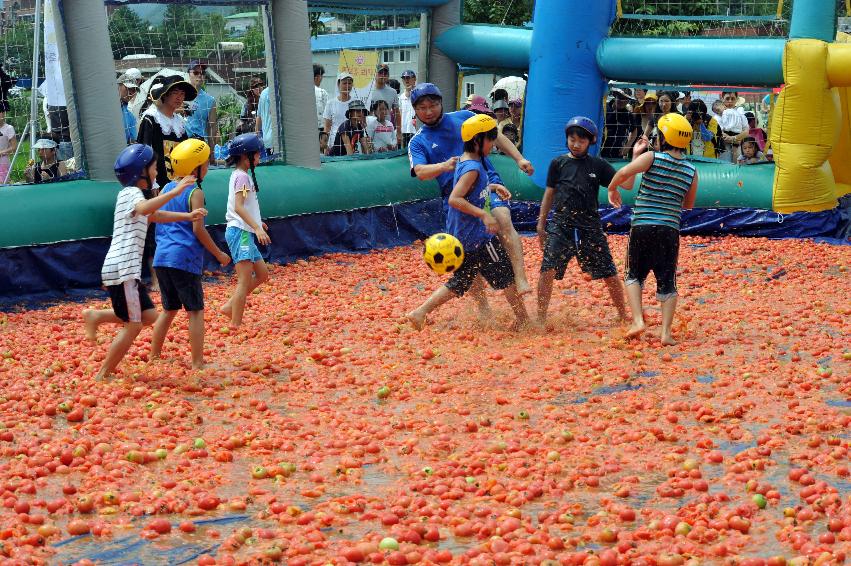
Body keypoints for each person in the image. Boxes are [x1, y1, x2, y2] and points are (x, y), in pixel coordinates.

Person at [82, 144, 207, 380]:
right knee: (134, 325)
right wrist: (175, 191)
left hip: (123, 268)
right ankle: (103, 373)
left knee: (149, 316)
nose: (155, 171)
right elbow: (145, 207)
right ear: (141, 172)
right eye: (152, 167)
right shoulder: (132, 194)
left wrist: (187, 216)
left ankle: (96, 316)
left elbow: (155, 215)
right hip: (123, 269)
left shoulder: (130, 196)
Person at [407, 82, 533, 301]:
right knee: (466, 253)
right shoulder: (418, 141)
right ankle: (482, 308)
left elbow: (496, 136)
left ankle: (520, 277)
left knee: (503, 218)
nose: (428, 112)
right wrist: (443, 166)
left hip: (486, 183)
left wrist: (519, 158)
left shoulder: (464, 117)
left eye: (432, 105)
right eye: (422, 108)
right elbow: (419, 171)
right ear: (415, 110)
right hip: (456, 197)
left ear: (441, 103)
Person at [607, 113, 698, 346]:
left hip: (643, 226)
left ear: (663, 138)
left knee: (633, 274)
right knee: (667, 281)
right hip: (669, 230)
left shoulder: (652, 158)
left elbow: (624, 174)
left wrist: (611, 188)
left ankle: (638, 320)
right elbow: (688, 205)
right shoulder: (691, 170)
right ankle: (666, 333)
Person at [536, 117, 629, 326]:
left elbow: (623, 182)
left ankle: (623, 315)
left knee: (609, 271)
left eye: (581, 141)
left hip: (590, 224)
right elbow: (549, 194)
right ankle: (540, 317)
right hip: (560, 223)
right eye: (572, 139)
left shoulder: (598, 165)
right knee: (547, 269)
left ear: (591, 142)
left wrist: (636, 160)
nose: (576, 144)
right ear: (567, 139)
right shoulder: (558, 163)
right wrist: (541, 225)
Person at [150, 139, 231, 370]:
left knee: (168, 309)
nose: (207, 166)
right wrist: (219, 254)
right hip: (184, 259)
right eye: (205, 163)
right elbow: (198, 229)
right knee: (195, 311)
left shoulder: (167, 188)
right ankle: (197, 363)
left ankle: (154, 355)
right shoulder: (195, 192)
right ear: (196, 166)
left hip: (162, 259)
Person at [137, 74, 196, 292]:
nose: (179, 97)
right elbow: (145, 154)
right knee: (155, 231)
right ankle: (155, 278)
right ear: (164, 95)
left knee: (178, 226)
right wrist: (152, 186)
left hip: (176, 185)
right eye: (175, 92)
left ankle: (178, 271)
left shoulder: (180, 123)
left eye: (182, 93)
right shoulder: (150, 119)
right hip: (156, 185)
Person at [221, 133, 270, 328]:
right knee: (244, 279)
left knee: (262, 274)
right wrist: (256, 227)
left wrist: (258, 222)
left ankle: (229, 307)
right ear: (245, 156)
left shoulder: (241, 176)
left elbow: (244, 206)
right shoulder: (242, 177)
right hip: (240, 233)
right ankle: (235, 323)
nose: (259, 159)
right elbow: (239, 207)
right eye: (257, 155)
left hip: (244, 231)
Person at [184, 60, 219, 151]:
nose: (199, 75)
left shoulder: (210, 100)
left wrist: (211, 152)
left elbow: (212, 127)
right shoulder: (179, 95)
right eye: (196, 72)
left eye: (202, 73)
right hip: (181, 143)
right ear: (189, 74)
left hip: (199, 144)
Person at [367, 64, 402, 149]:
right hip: (371, 131)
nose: (383, 75)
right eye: (380, 73)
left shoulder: (393, 92)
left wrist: (399, 132)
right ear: (375, 74)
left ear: (388, 76)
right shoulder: (368, 90)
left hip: (387, 131)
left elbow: (397, 113)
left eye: (385, 73)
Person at [602, 88, 638, 159]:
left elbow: (634, 131)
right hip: (600, 152)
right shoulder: (603, 108)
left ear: (628, 100)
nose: (622, 101)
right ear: (615, 96)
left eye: (625, 99)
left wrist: (627, 147)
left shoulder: (628, 114)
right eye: (620, 97)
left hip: (616, 154)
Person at [718, 91, 748, 162]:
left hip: (738, 146)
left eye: (732, 99)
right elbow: (718, 130)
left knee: (737, 167)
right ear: (722, 99)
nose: (730, 101)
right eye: (727, 98)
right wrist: (727, 137)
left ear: (736, 99)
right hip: (724, 148)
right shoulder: (719, 113)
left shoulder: (740, 112)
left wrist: (733, 138)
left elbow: (746, 131)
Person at [323, 72, 354, 141]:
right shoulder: (330, 103)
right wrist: (325, 145)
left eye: (349, 83)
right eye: (344, 83)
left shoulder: (356, 103)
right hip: (334, 143)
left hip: (352, 142)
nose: (347, 86)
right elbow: (327, 127)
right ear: (338, 84)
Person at [118, 73, 138, 144]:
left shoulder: (130, 115)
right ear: (118, 85)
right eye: (129, 88)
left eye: (134, 90)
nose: (131, 93)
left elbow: (133, 139)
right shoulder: (106, 107)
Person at [399, 69, 417, 146]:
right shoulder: (401, 97)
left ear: (414, 79)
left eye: (408, 78)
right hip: (404, 130)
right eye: (404, 78)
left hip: (416, 129)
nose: (406, 80)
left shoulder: (419, 93)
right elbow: (399, 114)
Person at [255, 85, 274, 155]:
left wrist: (257, 134)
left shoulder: (263, 93)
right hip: (275, 139)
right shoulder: (274, 92)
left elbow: (258, 116)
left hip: (267, 140)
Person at [0, 110, 17, 184]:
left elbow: (14, 147)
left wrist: (1, 152)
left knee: (2, 183)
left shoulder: (9, 128)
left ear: (4, 114)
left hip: (3, 161)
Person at [314, 63, 328, 136]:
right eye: (321, 76)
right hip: (320, 129)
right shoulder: (322, 92)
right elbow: (327, 113)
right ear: (317, 77)